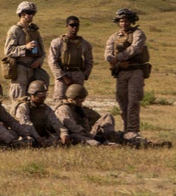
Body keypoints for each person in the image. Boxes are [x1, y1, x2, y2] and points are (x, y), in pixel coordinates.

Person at [104, 8, 150, 140]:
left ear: (131, 21)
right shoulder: (113, 37)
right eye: (121, 21)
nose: (123, 23)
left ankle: (133, 130)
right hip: (121, 73)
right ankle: (126, 130)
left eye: (126, 21)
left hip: (135, 71)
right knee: (122, 102)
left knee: (133, 101)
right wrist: (118, 63)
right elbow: (108, 55)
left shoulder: (138, 34)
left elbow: (135, 49)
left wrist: (118, 58)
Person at [4, 1, 48, 100]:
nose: (31, 15)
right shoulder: (15, 30)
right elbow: (8, 51)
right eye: (28, 13)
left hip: (33, 70)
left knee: (34, 100)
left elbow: (42, 52)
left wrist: (39, 61)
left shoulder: (34, 31)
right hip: (20, 70)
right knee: (19, 99)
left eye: (33, 13)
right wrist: (25, 47)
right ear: (21, 14)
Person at [53, 84, 120, 146]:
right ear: (76, 98)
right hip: (73, 135)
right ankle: (104, 145)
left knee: (107, 117)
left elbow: (96, 117)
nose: (83, 101)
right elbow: (73, 127)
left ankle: (111, 139)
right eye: (81, 99)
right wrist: (91, 136)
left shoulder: (78, 108)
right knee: (94, 143)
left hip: (86, 133)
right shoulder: (63, 109)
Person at [47, 16, 93, 101]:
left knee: (77, 101)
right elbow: (52, 61)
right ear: (67, 26)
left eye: (76, 25)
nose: (74, 28)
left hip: (77, 75)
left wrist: (84, 75)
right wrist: (63, 76)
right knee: (60, 101)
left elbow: (89, 61)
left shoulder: (85, 44)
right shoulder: (57, 42)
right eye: (72, 25)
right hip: (62, 76)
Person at [13, 80, 69, 147]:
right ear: (33, 94)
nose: (43, 96)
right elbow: (26, 124)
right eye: (40, 93)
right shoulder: (23, 106)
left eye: (45, 93)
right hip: (25, 134)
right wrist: (38, 138)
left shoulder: (45, 108)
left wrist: (64, 134)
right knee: (29, 142)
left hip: (40, 135)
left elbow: (56, 123)